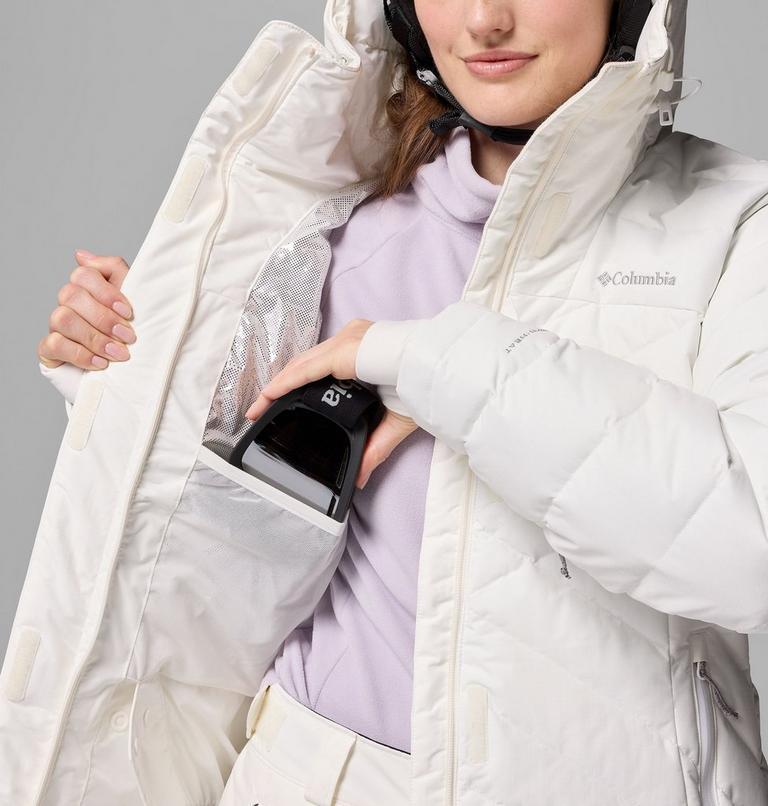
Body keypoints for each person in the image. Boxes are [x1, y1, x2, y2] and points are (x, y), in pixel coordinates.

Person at [17, 0, 768, 804]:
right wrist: (128, 374)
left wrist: (434, 363)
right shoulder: (333, 226)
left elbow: (747, 550)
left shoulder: (733, 226)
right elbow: (214, 560)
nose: (484, 19)